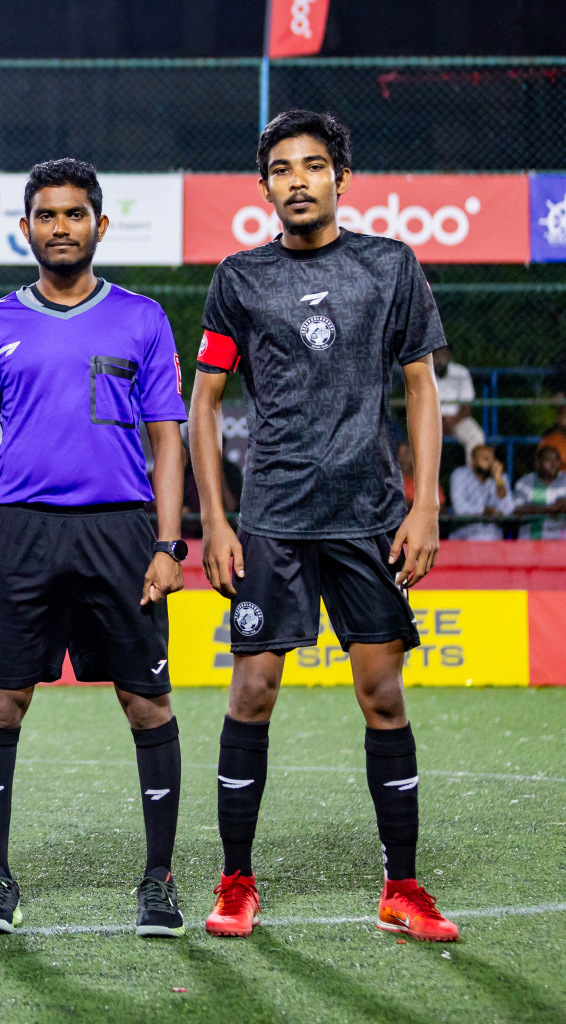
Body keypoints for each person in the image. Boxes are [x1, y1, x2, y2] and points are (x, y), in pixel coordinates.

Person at [189, 110, 458, 943]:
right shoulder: (240, 277)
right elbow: (205, 403)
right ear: (264, 186)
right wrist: (217, 519)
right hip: (270, 520)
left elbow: (420, 387)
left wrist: (425, 502)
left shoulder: (390, 266)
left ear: (342, 177)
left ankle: (403, 888)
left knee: (382, 695)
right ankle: (236, 881)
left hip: (370, 518)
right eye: (281, 168)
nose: (297, 179)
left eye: (313, 165)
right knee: (253, 692)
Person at [0, 159, 189, 936]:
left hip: (122, 533)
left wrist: (168, 542)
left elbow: (168, 439)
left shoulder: (143, 318)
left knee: (145, 700)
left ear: (99, 226)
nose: (61, 227)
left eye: (75, 215)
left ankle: (157, 880)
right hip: (20, 532)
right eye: (47, 216)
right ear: (26, 229)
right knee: (2, 700)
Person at [447, 444, 514, 540]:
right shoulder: (460, 475)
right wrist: (484, 511)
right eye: (485, 459)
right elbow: (459, 508)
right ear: (473, 461)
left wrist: (498, 480)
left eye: (492, 459)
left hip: (492, 536)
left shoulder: (501, 479)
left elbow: (508, 509)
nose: (490, 463)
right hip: (464, 535)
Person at [432, 347, 484, 459]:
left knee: (476, 436)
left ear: (450, 357)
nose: (441, 359)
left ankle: (473, 474)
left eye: (444, 355)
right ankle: (422, 476)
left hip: (457, 419)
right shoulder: (424, 372)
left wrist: (453, 422)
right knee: (416, 438)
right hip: (431, 421)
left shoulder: (461, 372)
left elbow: (466, 406)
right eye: (438, 355)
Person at [513, 445, 566, 539]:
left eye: (557, 460)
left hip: (561, 542)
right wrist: (550, 509)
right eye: (549, 460)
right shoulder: (525, 483)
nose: (554, 464)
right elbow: (518, 508)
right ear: (538, 463)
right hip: (531, 540)